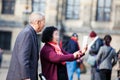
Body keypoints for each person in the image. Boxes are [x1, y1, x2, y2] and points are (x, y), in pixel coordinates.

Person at [6, 12, 45, 80]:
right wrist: (26, 77)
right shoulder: (27, 33)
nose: (44, 25)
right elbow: (23, 58)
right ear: (37, 22)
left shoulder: (32, 33)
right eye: (43, 22)